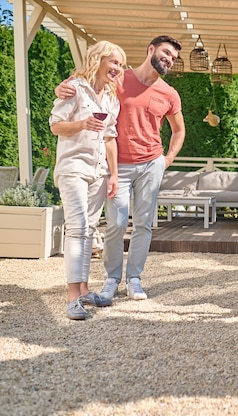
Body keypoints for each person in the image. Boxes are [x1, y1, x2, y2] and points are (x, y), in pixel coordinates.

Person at [55, 35, 186, 301]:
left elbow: (179, 130)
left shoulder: (169, 93)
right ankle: (112, 279)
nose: (169, 59)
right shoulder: (119, 78)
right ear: (151, 49)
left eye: (173, 57)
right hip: (119, 166)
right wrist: (63, 86)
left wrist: (167, 159)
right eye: (165, 53)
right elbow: (88, 83)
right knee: (115, 222)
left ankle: (135, 279)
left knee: (144, 225)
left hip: (151, 164)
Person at [49, 41, 126, 320]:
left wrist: (114, 174)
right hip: (73, 167)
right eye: (113, 62)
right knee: (77, 226)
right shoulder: (74, 87)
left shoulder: (111, 98)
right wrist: (82, 123)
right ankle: (72, 297)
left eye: (120, 64)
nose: (117, 68)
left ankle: (83, 290)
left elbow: (109, 138)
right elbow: (56, 125)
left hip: (99, 171)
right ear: (97, 59)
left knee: (90, 228)